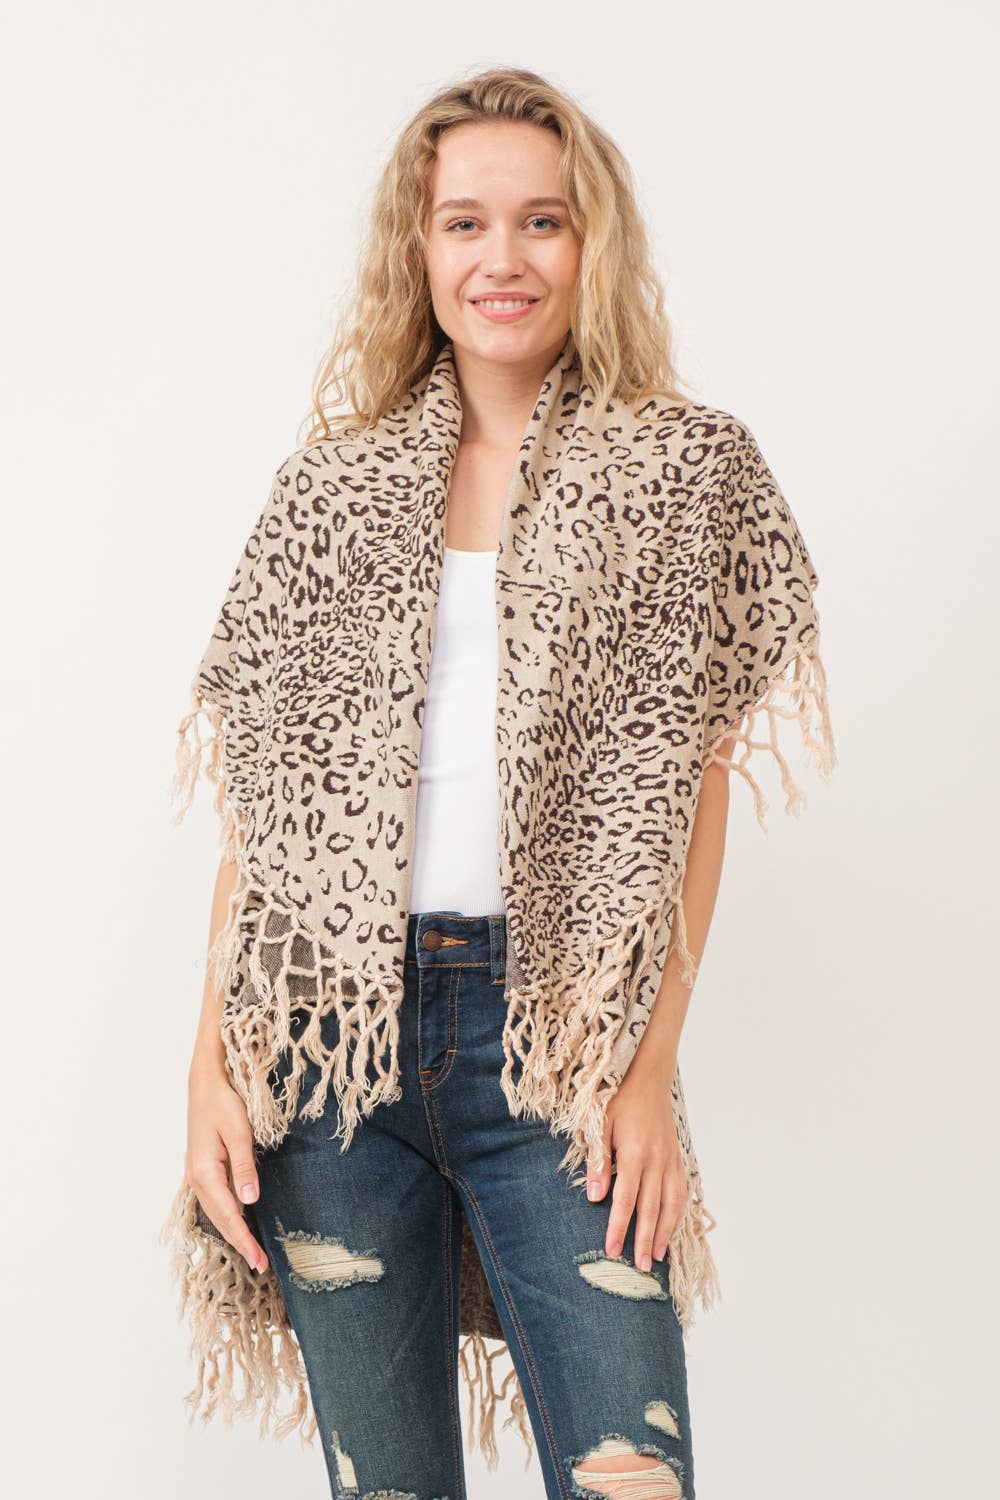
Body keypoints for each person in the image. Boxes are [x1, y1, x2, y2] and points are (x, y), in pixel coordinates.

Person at [163, 66, 836, 1500]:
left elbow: (694, 789)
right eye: (464, 222)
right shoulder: (333, 491)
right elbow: (266, 820)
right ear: (418, 248)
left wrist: (644, 1071)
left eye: (543, 219)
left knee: (629, 1474)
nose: (503, 257)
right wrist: (210, 1061)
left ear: (593, 241)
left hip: (557, 1043)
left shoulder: (681, 473)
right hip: (329, 1050)